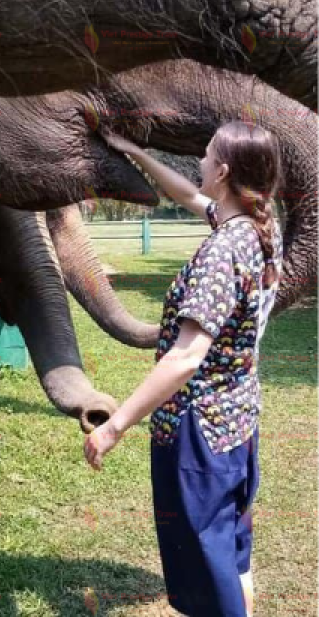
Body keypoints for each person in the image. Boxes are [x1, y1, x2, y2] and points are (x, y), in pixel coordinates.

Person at [84, 122, 283, 617]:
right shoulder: (261, 227)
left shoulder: (223, 251)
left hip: (200, 432)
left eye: (206, 155)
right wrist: (134, 153)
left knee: (205, 562)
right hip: (238, 421)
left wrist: (115, 426)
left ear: (223, 170)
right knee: (231, 549)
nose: (199, 161)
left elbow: (186, 357)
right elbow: (189, 195)